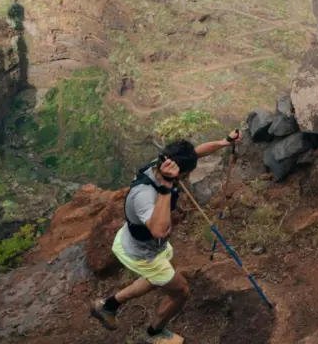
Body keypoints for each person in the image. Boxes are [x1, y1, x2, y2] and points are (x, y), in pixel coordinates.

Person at [90, 131, 241, 344]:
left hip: (138, 243)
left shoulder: (162, 164)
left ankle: (107, 307)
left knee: (154, 279)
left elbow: (196, 153)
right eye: (186, 174)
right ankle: (154, 334)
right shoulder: (145, 195)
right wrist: (167, 186)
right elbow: (159, 230)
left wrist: (224, 142)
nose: (187, 177)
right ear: (178, 173)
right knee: (181, 292)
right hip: (143, 253)